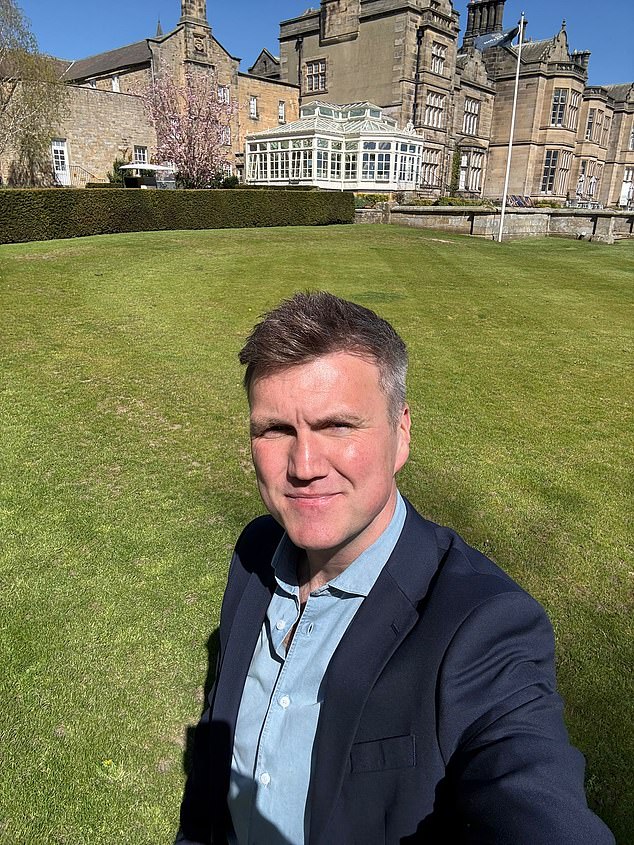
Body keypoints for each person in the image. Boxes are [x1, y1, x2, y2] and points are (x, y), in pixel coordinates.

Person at [178, 292, 614, 844]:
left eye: (338, 425)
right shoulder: (255, 553)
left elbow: (535, 802)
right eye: (276, 430)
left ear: (401, 432)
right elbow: (217, 767)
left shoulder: (481, 628)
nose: (304, 465)